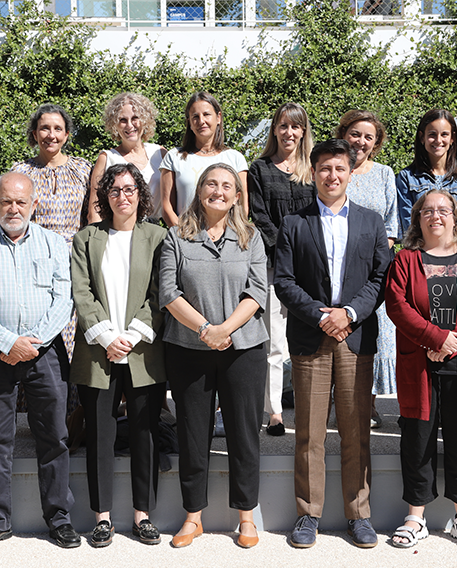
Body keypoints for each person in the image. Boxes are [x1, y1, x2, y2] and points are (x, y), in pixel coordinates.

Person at [274, 139, 392, 549]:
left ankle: (359, 514)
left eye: (339, 169)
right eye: (324, 168)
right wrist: (321, 315)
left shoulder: (371, 222)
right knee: (309, 432)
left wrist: (349, 313)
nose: (332, 176)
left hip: (356, 338)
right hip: (311, 337)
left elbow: (381, 279)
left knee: (356, 430)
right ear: (314, 171)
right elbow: (284, 281)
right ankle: (309, 513)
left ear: (350, 172)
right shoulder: (294, 223)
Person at [0, 172, 79, 551]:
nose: (14, 208)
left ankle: (58, 518)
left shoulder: (54, 243)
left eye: (21, 202)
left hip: (45, 354)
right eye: (6, 201)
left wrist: (33, 343)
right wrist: (8, 343)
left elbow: (65, 300)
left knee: (54, 437)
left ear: (33, 205)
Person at [159, 163, 268, 549]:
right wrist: (206, 330)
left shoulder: (251, 238)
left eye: (227, 186)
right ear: (199, 191)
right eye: (211, 184)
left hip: (244, 348)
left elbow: (258, 291)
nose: (218, 191)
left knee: (243, 434)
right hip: (190, 348)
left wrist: (225, 330)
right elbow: (168, 293)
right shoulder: (175, 237)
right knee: (192, 434)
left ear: (238, 196)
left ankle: (246, 516)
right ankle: (193, 517)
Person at [384, 190, 457, 549]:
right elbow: (397, 305)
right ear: (417, 219)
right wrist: (435, 338)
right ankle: (414, 517)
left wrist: (454, 340)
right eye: (427, 211)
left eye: (443, 210)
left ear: (456, 217)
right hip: (419, 362)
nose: (436, 216)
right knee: (418, 437)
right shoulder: (405, 260)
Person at [70, 164, 168, 548]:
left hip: (143, 350)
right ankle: (102, 517)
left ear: (140, 194)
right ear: (105, 195)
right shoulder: (86, 238)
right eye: (114, 189)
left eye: (129, 189)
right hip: (98, 350)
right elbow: (81, 291)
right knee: (99, 434)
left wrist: (130, 336)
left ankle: (143, 515)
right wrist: (107, 336)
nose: (122, 196)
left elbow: (160, 294)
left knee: (146, 433)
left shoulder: (158, 237)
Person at [12, 103, 92, 416]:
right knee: (38, 336)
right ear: (34, 133)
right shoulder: (22, 171)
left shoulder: (83, 169)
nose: (51, 135)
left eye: (58, 128)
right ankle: (41, 414)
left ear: (67, 134)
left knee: (72, 341)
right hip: (35, 265)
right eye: (44, 128)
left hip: (74, 263)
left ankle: (73, 417)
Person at [248, 102, 316, 437]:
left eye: (296, 126)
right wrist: (284, 252)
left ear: (303, 132)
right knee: (274, 342)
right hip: (274, 267)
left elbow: (319, 217)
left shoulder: (313, 170)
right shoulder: (259, 169)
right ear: (274, 129)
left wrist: (303, 255)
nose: (289, 132)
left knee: (308, 341)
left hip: (309, 268)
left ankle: (308, 405)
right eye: (283, 126)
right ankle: (274, 411)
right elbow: (258, 216)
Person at [336, 110, 400, 425]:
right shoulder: (333, 169)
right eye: (355, 134)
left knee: (372, 337)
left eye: (368, 137)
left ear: (375, 144)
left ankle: (368, 404)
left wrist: (372, 264)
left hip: (374, 271)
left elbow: (391, 227)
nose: (360, 142)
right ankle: (338, 403)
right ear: (343, 134)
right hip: (334, 268)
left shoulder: (385, 173)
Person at [160, 91, 249, 227]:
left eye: (206, 114)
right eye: (195, 116)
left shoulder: (235, 158)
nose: (201, 121)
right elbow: (167, 207)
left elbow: (242, 207)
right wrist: (182, 237)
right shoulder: (173, 157)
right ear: (189, 122)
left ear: (218, 117)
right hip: (185, 238)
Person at [87, 93, 167, 224]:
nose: (130, 125)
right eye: (123, 120)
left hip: (154, 232)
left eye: (135, 118)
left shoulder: (160, 153)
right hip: (118, 229)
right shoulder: (107, 158)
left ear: (145, 120)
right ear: (114, 124)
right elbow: (95, 211)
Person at [396, 109, 457, 233]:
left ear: (452, 138)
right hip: (422, 249)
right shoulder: (407, 177)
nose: (438, 140)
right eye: (432, 134)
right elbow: (409, 224)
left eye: (444, 134)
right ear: (422, 137)